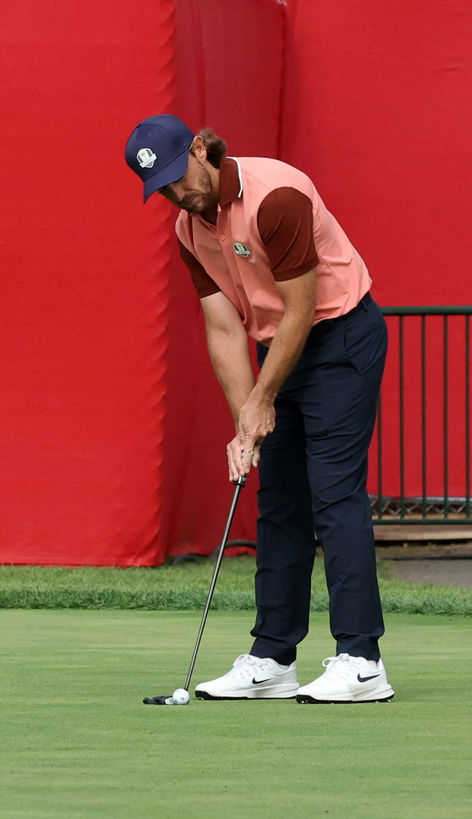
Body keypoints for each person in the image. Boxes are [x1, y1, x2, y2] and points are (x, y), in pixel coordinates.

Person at [124, 114, 394, 704]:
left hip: (339, 337)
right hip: (279, 348)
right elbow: (223, 328)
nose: (179, 194)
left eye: (179, 177)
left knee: (333, 494)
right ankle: (273, 656)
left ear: (201, 149)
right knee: (278, 501)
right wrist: (246, 419)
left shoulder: (277, 196)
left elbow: (300, 309)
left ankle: (363, 660)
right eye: (163, 189)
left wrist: (264, 398)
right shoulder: (188, 230)